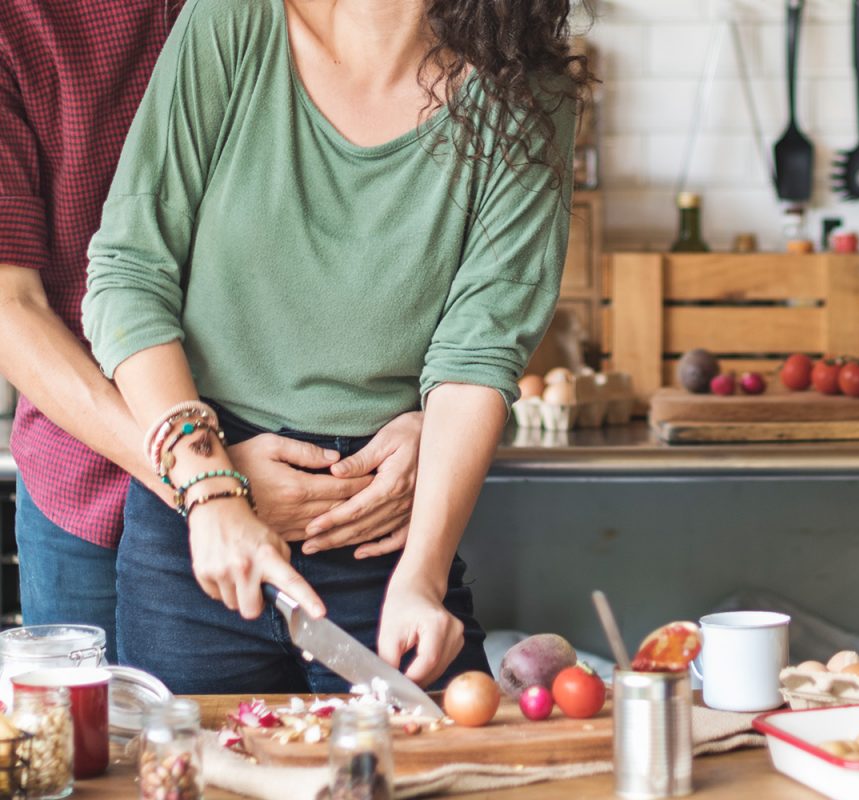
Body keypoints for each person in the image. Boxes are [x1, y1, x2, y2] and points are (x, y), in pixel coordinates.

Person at [83, 0, 584, 692]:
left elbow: (479, 356)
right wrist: (209, 491)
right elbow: (129, 276)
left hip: (382, 531)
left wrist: (422, 576)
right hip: (200, 523)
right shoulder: (234, 22)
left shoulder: (527, 95)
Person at [0, 0, 418, 657]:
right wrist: (205, 478)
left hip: (326, 481)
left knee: (338, 752)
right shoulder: (17, 23)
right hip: (92, 477)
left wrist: (433, 418)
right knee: (113, 753)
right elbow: (8, 308)